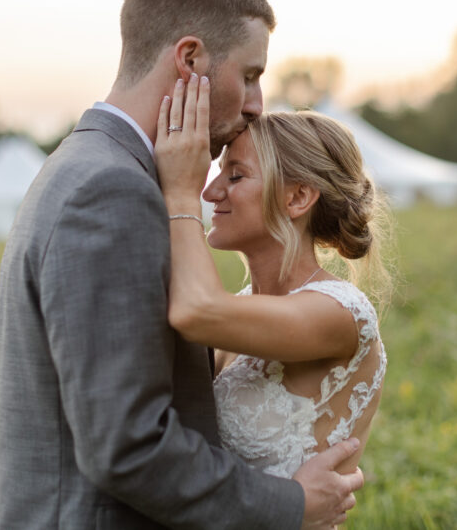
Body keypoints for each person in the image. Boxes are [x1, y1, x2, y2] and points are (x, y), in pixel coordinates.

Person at [0, 0, 363, 529]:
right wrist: (288, 504)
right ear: (190, 60)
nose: (257, 104)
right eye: (249, 75)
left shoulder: (86, 165)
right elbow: (128, 444)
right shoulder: (111, 190)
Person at [154, 77, 390, 483]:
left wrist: (179, 193)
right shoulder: (239, 306)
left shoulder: (341, 313)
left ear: (297, 198)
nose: (210, 192)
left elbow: (196, 311)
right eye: (217, 174)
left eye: (235, 175)